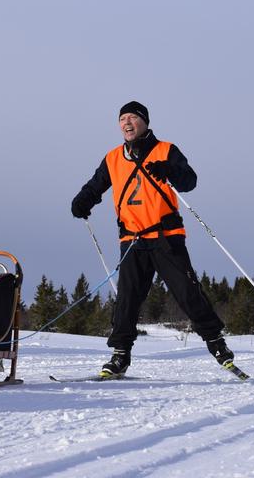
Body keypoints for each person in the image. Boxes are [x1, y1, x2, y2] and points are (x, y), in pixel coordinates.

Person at [70, 101, 234, 377]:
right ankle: (120, 355)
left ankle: (217, 344)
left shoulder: (166, 150)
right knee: (127, 299)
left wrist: (168, 171)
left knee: (186, 291)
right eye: (122, 119)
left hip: (166, 236)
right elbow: (96, 185)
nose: (127, 123)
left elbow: (189, 181)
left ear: (145, 121)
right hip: (132, 239)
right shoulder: (112, 158)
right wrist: (83, 199)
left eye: (132, 117)